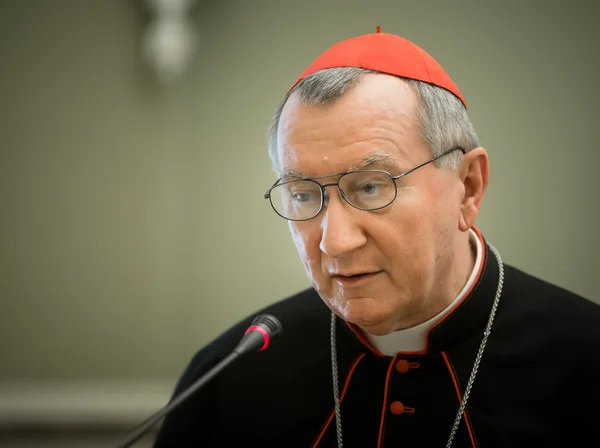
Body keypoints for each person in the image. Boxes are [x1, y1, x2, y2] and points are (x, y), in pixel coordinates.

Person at [153, 30, 600, 448]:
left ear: (468, 187)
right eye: (304, 194)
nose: (336, 243)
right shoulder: (230, 377)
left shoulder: (584, 360)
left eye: (371, 187)